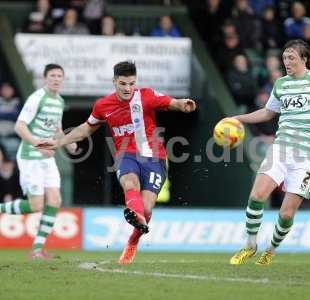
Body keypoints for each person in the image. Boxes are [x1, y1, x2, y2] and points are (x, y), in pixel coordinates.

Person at [37, 61, 196, 264]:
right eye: (123, 83)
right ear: (114, 81)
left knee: (146, 209)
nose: (128, 88)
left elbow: (171, 102)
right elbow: (85, 129)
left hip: (154, 157)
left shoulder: (145, 95)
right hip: (125, 155)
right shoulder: (103, 105)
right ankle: (134, 211)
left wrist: (182, 104)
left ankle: (132, 241)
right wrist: (58, 142)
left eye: (131, 83)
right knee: (130, 182)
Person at [229, 39, 310, 266]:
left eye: (292, 58)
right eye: (285, 58)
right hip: (280, 148)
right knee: (256, 196)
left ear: (304, 59)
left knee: (286, 214)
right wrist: (238, 118)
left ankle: (271, 250)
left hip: (307, 156)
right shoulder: (281, 84)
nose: (287, 62)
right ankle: (250, 245)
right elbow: (267, 113)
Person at [0, 64, 77, 259]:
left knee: (55, 200)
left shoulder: (59, 101)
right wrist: (37, 144)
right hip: (30, 157)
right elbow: (19, 126)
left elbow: (56, 129)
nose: (56, 78)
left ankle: (37, 250)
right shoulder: (37, 98)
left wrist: (68, 143)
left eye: (60, 75)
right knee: (35, 206)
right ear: (45, 78)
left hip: (46, 157)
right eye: (52, 75)